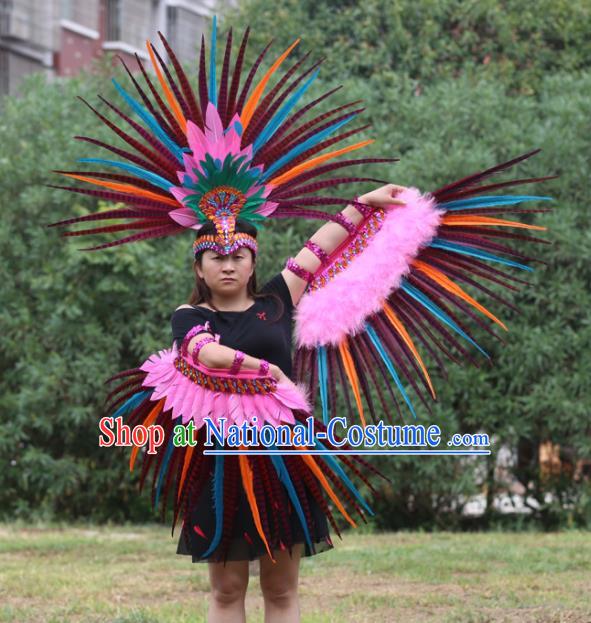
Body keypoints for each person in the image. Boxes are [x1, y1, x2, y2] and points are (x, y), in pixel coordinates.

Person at [172, 185, 404, 623]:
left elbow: (321, 245)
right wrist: (265, 369)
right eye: (217, 258)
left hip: (283, 453)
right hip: (219, 456)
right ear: (199, 268)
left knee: (281, 588)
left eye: (238, 256)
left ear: (253, 262)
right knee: (227, 589)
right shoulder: (190, 315)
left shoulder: (279, 300)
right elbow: (203, 352)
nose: (228, 265)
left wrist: (365, 203)